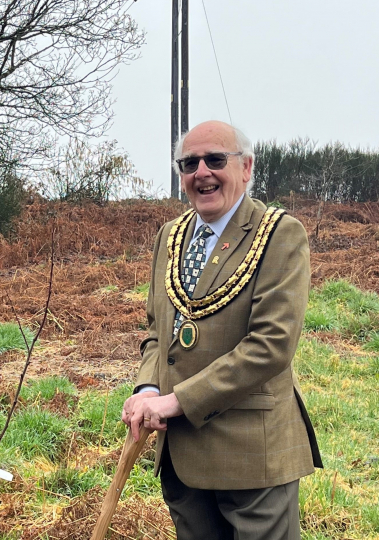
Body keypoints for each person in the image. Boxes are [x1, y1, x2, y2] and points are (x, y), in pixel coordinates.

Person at [121, 120, 322, 540]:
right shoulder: (169, 237)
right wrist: (147, 390)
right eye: (189, 163)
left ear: (246, 168)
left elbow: (270, 346)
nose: (201, 172)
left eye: (215, 159)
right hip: (182, 455)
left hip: (252, 457)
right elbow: (159, 330)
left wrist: (177, 401)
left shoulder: (279, 235)